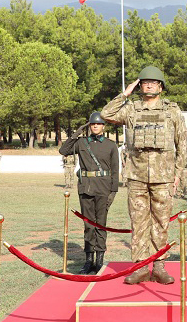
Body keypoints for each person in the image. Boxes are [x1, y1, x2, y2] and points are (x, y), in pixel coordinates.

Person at [101, 66, 187, 285]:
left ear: (160, 86)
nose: (149, 85)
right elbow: (105, 114)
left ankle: (159, 267)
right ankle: (139, 267)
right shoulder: (131, 109)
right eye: (145, 82)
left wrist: (178, 174)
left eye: (153, 82)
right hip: (137, 176)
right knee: (138, 222)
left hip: (163, 177)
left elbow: (181, 145)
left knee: (161, 223)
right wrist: (125, 94)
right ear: (140, 86)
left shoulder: (172, 111)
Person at [60, 111, 119, 275]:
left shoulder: (110, 145)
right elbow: (63, 150)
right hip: (85, 188)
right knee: (88, 225)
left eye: (98, 124)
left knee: (100, 224)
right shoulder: (81, 143)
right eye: (92, 124)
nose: (95, 126)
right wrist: (77, 132)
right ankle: (88, 260)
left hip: (104, 188)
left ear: (103, 126)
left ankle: (99, 260)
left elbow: (115, 170)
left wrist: (113, 191)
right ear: (89, 126)